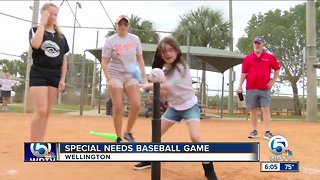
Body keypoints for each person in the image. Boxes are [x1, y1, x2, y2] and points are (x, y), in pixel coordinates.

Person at [134, 37, 218, 180]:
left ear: (177, 50)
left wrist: (149, 86)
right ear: (160, 55)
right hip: (174, 108)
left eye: (171, 49)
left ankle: (209, 169)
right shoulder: (164, 71)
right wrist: (152, 92)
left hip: (190, 106)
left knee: (196, 137)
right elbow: (165, 93)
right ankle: (151, 158)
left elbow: (172, 84)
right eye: (164, 51)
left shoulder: (182, 66)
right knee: (156, 133)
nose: (167, 53)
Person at [101, 15, 147, 143]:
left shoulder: (134, 39)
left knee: (136, 104)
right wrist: (109, 78)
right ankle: (118, 137)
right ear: (116, 25)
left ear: (128, 26)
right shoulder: (110, 41)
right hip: (115, 74)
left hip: (131, 74)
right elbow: (104, 62)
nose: (122, 26)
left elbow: (140, 59)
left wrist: (143, 77)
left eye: (125, 24)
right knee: (118, 107)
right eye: (120, 24)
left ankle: (128, 132)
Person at [29, 2, 69, 141]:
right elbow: (35, 44)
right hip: (39, 72)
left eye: (55, 14)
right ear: (43, 14)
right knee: (40, 110)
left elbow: (64, 59)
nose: (53, 16)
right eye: (49, 13)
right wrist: (42, 23)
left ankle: (40, 143)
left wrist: (62, 79)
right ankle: (34, 145)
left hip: (54, 75)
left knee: (46, 112)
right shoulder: (36, 30)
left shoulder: (61, 37)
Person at [236, 36, 280, 140]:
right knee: (253, 110)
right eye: (255, 43)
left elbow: (277, 69)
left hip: (265, 89)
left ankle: (267, 132)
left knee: (265, 109)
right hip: (251, 88)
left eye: (259, 43)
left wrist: (273, 80)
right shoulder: (247, 58)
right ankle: (254, 131)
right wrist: (240, 85)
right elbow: (244, 73)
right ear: (253, 44)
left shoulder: (270, 57)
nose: (257, 45)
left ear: (262, 44)